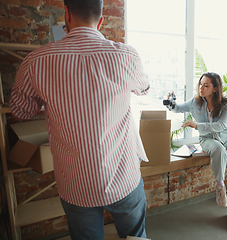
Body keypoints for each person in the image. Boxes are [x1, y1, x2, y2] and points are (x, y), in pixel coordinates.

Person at [9, 0, 150, 239]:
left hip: (75, 183)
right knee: (136, 236)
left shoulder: (36, 60)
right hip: (123, 175)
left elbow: (21, 111)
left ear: (66, 15)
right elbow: (144, 89)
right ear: (101, 20)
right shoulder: (126, 55)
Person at [165, 72, 227, 230]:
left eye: (206, 85)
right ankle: (220, 186)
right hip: (208, 140)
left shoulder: (226, 104)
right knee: (219, 150)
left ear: (215, 88)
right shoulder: (195, 102)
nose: (201, 87)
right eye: (201, 84)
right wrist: (170, 102)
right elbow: (177, 109)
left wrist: (197, 126)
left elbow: (221, 126)